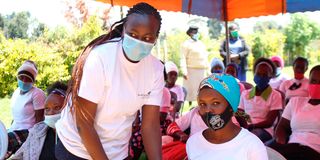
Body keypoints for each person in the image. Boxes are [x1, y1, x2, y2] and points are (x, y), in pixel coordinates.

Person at [55, 3, 164, 160]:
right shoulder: (100, 58)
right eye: (133, 34)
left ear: (155, 39)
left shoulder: (155, 69)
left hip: (116, 151)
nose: (139, 41)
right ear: (124, 30)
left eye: (147, 38)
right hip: (77, 148)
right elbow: (84, 123)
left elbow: (150, 126)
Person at [186, 74, 267, 159]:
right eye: (202, 104)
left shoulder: (252, 145)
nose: (207, 110)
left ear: (232, 107)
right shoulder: (193, 143)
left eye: (215, 103)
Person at [267, 65, 320, 160]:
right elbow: (281, 127)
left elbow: (269, 121)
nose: (317, 85)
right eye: (313, 81)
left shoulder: (274, 95)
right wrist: (281, 141)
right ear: (309, 82)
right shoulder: (295, 101)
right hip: (291, 147)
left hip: (314, 151)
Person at [11, 81, 67, 160]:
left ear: (68, 108)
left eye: (57, 108)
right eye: (47, 109)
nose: (51, 113)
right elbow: (20, 155)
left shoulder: (77, 135)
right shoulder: (37, 131)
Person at [6, 60, 46, 158]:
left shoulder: (37, 93)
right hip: (14, 129)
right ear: (17, 77)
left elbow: (39, 122)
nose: (24, 81)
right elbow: (16, 117)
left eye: (28, 79)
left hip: (28, 132)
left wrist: (34, 140)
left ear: (33, 81)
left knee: (4, 143)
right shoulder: (16, 92)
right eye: (21, 77)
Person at [238, 58, 283, 142]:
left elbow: (269, 122)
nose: (261, 77)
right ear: (254, 74)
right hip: (247, 127)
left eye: (265, 75)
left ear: (271, 76)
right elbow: (240, 113)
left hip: (265, 130)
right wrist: (247, 124)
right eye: (258, 74)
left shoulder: (275, 95)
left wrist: (252, 126)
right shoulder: (245, 93)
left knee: (250, 139)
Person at [180, 26, 208, 106]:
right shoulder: (186, 44)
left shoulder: (201, 44)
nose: (196, 34)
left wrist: (208, 69)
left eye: (197, 32)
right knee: (191, 90)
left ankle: (201, 102)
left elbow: (205, 56)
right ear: (190, 34)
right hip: (191, 69)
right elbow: (182, 57)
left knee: (201, 88)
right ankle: (190, 104)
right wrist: (184, 71)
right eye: (194, 32)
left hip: (202, 69)